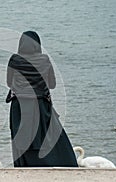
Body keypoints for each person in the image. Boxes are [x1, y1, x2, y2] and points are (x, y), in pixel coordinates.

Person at [6, 31, 78, 167]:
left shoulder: (14, 59)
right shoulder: (44, 60)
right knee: (47, 137)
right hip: (40, 104)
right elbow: (52, 84)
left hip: (19, 106)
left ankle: (24, 166)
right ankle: (56, 163)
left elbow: (9, 83)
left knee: (21, 138)